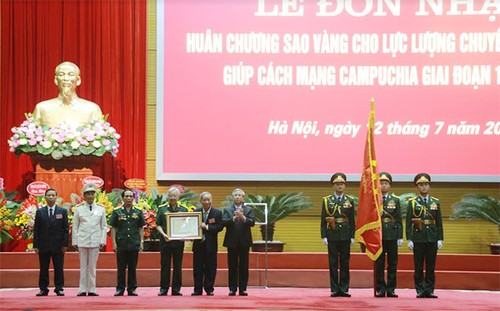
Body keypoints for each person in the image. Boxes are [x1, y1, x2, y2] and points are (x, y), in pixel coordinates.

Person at [406, 173, 444, 299]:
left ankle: (429, 289)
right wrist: (409, 238)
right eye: (421, 185)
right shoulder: (412, 203)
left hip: (432, 237)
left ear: (429, 186)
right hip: (418, 237)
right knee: (418, 266)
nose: (424, 187)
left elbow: (439, 222)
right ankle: (420, 290)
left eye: (426, 184)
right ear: (417, 187)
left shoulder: (435, 202)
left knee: (431, 266)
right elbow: (408, 222)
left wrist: (440, 238)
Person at [33, 61, 102, 128]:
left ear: (78, 80)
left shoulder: (92, 109)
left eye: (70, 74)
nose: (66, 78)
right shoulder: (42, 108)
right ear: (56, 80)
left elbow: (101, 135)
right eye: (61, 74)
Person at [320, 173, 356, 297]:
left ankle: (344, 288)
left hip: (345, 234)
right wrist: (323, 235)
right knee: (333, 263)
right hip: (332, 235)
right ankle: (334, 289)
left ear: (344, 186)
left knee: (345, 263)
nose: (340, 186)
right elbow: (323, 219)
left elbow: (352, 219)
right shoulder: (327, 200)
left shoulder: (350, 200)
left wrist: (352, 235)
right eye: (337, 184)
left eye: (342, 184)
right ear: (333, 186)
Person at [72, 182, 107, 296]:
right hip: (82, 240)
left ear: (95, 195)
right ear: (84, 196)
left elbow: (103, 226)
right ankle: (82, 289)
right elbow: (75, 226)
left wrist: (102, 240)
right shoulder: (79, 209)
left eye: (92, 194)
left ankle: (92, 289)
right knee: (83, 266)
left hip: (95, 241)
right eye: (88, 194)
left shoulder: (101, 209)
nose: (90, 196)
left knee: (92, 266)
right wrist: (75, 241)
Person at [33, 188, 69, 297]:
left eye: (53, 195)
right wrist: (36, 245)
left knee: (59, 268)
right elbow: (36, 229)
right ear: (45, 197)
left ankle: (59, 288)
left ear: (56, 197)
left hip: (58, 245)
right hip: (43, 245)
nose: (51, 197)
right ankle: (43, 289)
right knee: (43, 268)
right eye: (49, 195)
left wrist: (65, 244)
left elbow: (66, 229)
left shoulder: (62, 211)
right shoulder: (40, 212)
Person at [110, 189, 145, 296]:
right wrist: (114, 243)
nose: (129, 198)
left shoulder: (138, 211)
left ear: (133, 198)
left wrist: (141, 242)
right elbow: (113, 228)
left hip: (134, 243)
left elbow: (140, 228)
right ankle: (120, 288)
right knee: (121, 268)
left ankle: (132, 288)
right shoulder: (117, 211)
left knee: (132, 268)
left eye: (130, 196)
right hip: (121, 243)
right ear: (123, 198)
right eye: (126, 196)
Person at [222, 188, 255, 296]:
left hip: (244, 242)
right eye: (235, 195)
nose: (237, 197)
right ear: (233, 197)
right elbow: (223, 222)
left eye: (239, 195)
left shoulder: (248, 209)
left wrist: (243, 217)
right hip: (231, 242)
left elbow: (252, 222)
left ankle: (243, 289)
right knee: (232, 266)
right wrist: (234, 218)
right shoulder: (227, 210)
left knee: (244, 267)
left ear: (243, 197)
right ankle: (232, 289)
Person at [156, 187, 188, 296]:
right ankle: (163, 289)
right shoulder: (162, 209)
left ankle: (176, 289)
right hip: (165, 242)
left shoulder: (183, 209)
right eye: (170, 195)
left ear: (178, 197)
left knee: (177, 266)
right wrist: (164, 234)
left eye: (174, 195)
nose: (172, 198)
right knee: (165, 266)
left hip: (179, 242)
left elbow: (186, 226)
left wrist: (185, 235)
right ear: (167, 196)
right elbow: (157, 224)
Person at [375, 172, 403, 298]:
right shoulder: (374, 199)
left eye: (386, 183)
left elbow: (398, 219)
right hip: (378, 236)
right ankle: (380, 288)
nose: (383, 186)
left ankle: (391, 289)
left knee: (392, 263)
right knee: (379, 263)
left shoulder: (395, 200)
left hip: (392, 234)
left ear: (389, 185)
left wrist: (400, 236)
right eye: (381, 183)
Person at [191, 192, 223, 296]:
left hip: (211, 246)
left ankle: (209, 289)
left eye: (208, 199)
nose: (207, 201)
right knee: (197, 269)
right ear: (200, 201)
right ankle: (197, 289)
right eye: (204, 199)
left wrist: (207, 227)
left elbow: (219, 227)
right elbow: (191, 227)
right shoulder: (196, 212)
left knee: (210, 268)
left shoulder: (217, 213)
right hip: (198, 245)